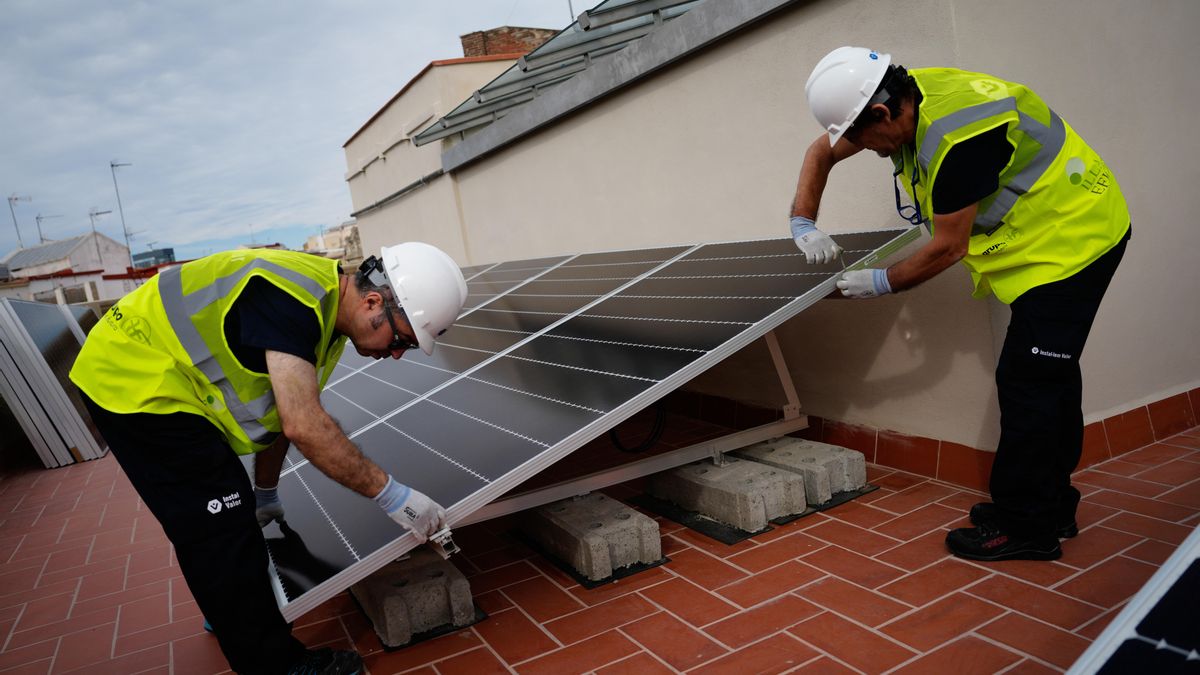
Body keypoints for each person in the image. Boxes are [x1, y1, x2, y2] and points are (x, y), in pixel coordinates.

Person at [790, 47, 1130, 562]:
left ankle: (1027, 527)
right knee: (1048, 380)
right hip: (1045, 244)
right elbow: (822, 151)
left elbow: (950, 246)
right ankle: (1050, 507)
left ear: (881, 113)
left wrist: (879, 283)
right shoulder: (902, 92)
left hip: (1076, 240)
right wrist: (803, 222)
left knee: (1029, 382)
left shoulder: (958, 140)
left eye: (869, 141)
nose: (875, 153)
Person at [69, 243, 468, 674]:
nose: (394, 354)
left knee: (231, 514)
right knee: (219, 525)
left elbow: (280, 415)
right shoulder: (292, 299)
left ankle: (233, 611)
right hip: (133, 377)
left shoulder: (325, 314)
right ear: (373, 302)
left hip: (159, 377)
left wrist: (265, 492)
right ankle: (274, 665)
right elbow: (303, 424)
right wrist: (394, 496)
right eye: (402, 340)